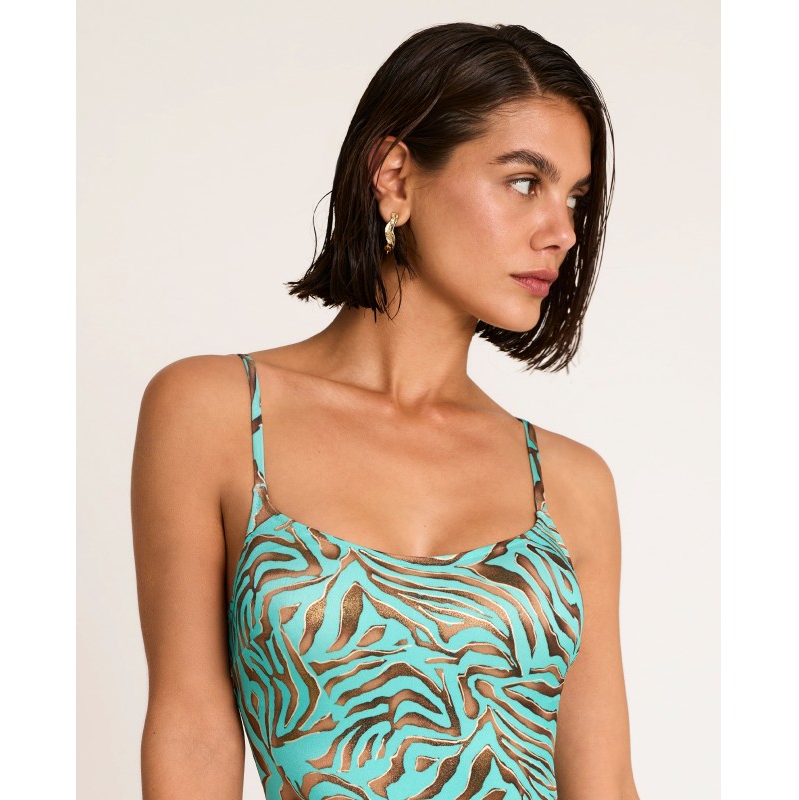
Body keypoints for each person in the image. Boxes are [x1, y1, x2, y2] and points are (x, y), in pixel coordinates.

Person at [131, 21, 639, 800]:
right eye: (524, 183)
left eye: (575, 197)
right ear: (396, 177)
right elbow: (193, 731)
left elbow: (605, 785)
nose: (563, 232)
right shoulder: (213, 413)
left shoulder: (571, 485)